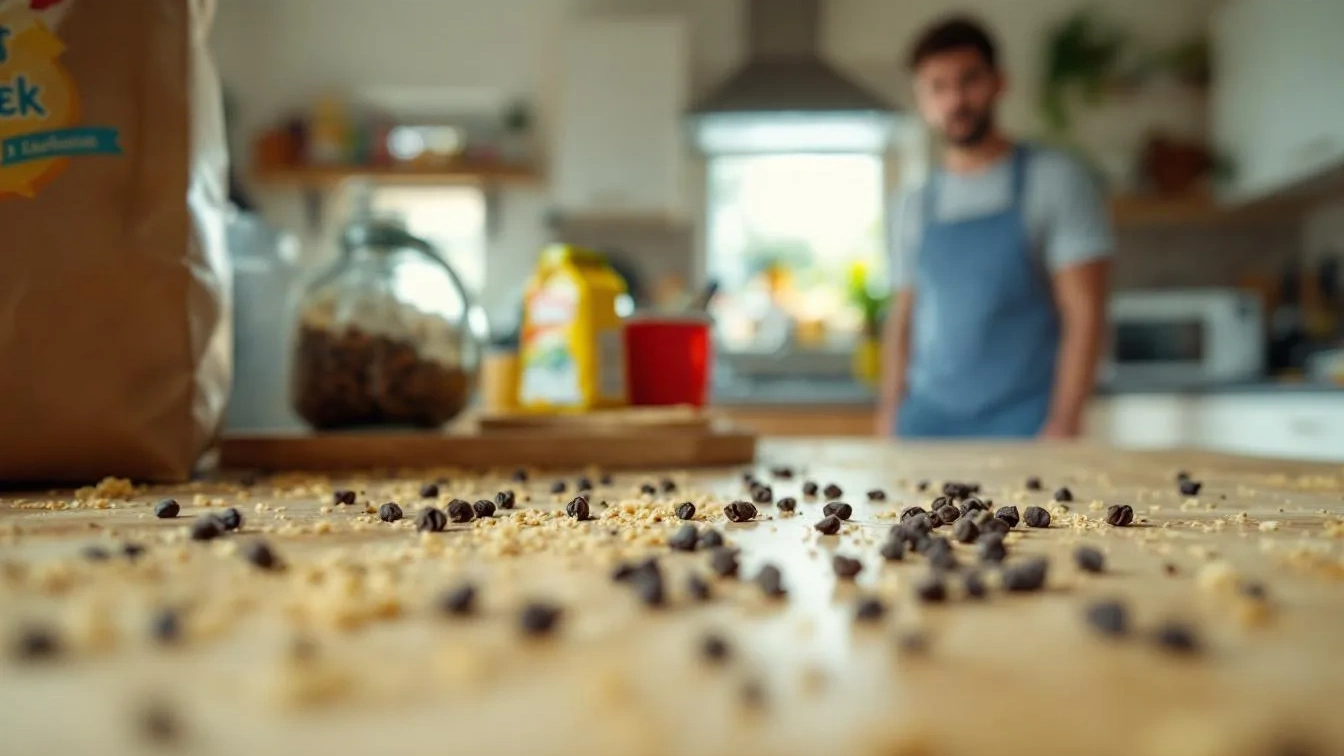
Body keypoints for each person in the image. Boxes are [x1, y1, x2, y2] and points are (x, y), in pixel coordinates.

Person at [876, 16, 1112, 440]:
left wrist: (1064, 423)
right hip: (924, 427)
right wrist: (889, 415)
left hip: (1024, 426)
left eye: (969, 81)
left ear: (999, 82)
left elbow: (1085, 313)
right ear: (922, 100)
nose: (956, 100)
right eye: (938, 87)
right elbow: (903, 317)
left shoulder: (1054, 180)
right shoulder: (914, 205)